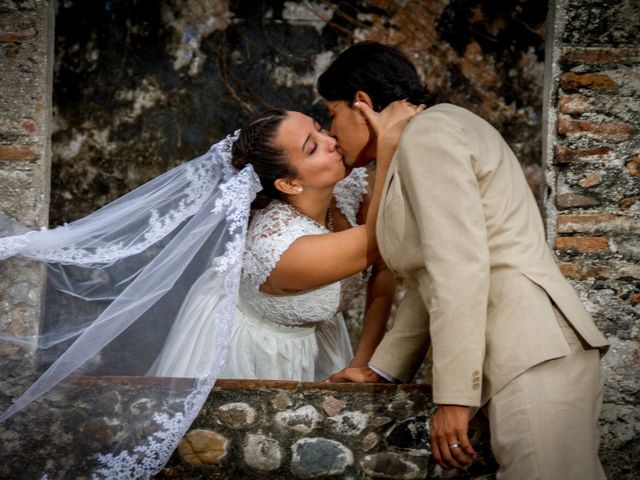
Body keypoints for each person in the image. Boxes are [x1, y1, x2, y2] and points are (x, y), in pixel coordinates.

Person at [0, 101, 421, 478]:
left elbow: (381, 271)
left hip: (313, 343)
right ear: (289, 185)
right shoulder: (284, 250)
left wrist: (366, 362)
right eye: (311, 147)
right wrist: (386, 144)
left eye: (321, 128)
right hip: (255, 354)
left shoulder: (343, 192)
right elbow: (387, 236)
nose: (331, 141)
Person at [318, 41, 609, 479]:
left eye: (331, 114)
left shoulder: (430, 134)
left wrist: (455, 397)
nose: (332, 133)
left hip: (532, 352)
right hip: (521, 356)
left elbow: (459, 266)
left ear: (361, 103)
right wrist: (381, 370)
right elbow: (431, 277)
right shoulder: (421, 138)